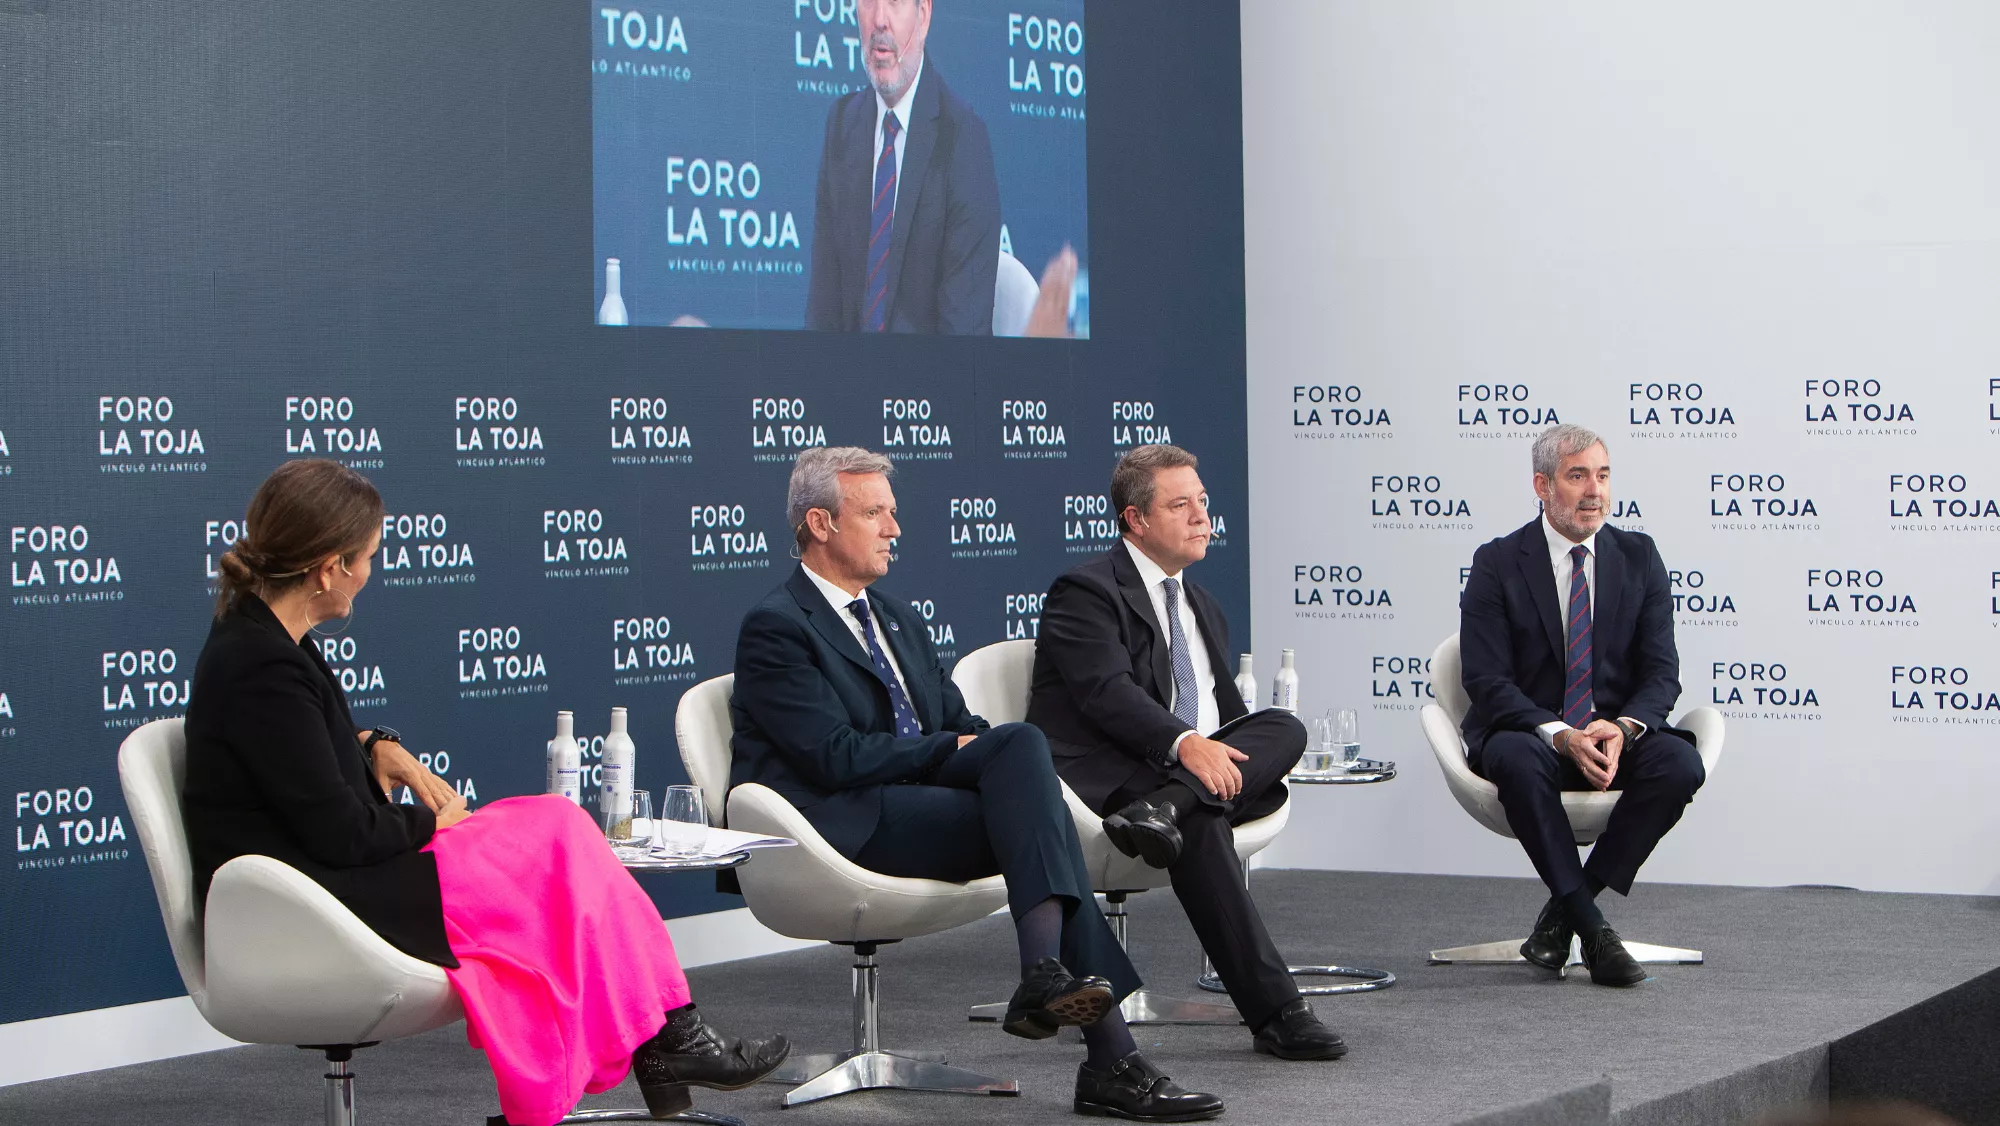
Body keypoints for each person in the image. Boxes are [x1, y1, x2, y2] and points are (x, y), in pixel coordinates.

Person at [182, 460, 789, 1126]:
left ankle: (670, 1034)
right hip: (314, 898)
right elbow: (341, 832)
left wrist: (373, 745)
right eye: (369, 559)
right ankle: (669, 1038)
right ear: (328, 568)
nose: (370, 574)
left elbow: (293, 753)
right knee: (553, 846)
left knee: (558, 826)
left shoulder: (266, 641)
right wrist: (434, 823)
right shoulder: (261, 663)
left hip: (332, 874)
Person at [730, 447, 1224, 1121]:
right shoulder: (777, 626)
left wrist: (971, 751)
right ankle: (1099, 1047)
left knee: (1021, 757)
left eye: (893, 513)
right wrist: (955, 751)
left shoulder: (896, 619)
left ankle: (1064, 1000)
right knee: (1034, 807)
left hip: (916, 804)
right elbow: (832, 758)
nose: (894, 530)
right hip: (839, 823)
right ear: (819, 523)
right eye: (875, 514)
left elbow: (962, 724)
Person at [1027, 444, 1345, 1061]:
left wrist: (1202, 759)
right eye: (1181, 505)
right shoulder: (1086, 592)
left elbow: (1232, 722)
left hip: (1178, 779)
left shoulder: (1205, 606)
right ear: (1134, 520)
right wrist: (1185, 745)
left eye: (1202, 501)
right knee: (1201, 820)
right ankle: (1279, 1011)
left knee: (1282, 726)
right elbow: (1105, 695)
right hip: (1110, 772)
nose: (1202, 516)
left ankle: (1169, 808)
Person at [1458, 424, 1707, 987]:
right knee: (1518, 759)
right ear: (1542, 485)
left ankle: (1566, 913)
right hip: (1531, 732)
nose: (1594, 490)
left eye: (1603, 475)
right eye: (1577, 477)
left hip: (1613, 732)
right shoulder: (1498, 562)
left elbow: (1662, 672)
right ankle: (1595, 931)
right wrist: (1560, 733)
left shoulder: (1639, 556)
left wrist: (1621, 727)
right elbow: (1486, 679)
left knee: (1681, 764)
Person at [803, 0, 1001, 335]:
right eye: (868, 2)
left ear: (923, 15)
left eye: (894, 3)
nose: (879, 20)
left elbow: (963, 335)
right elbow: (823, 310)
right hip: (847, 381)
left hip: (927, 382)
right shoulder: (841, 124)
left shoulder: (963, 139)